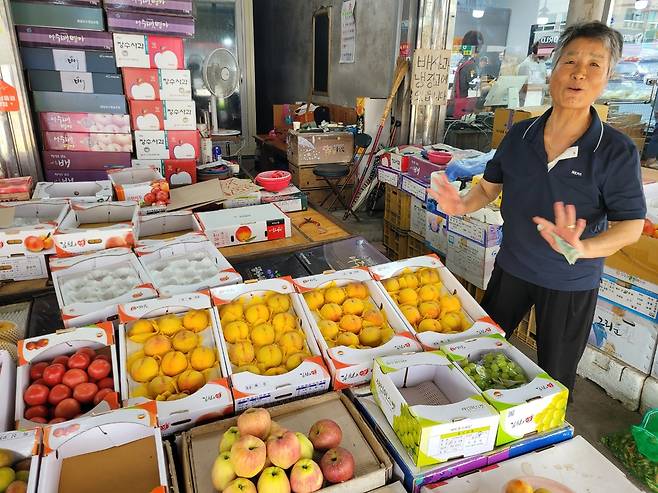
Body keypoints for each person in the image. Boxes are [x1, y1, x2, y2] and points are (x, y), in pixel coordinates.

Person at [429, 22, 646, 396]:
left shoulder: (616, 151)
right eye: (570, 60)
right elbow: (488, 188)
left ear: (608, 77)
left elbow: (631, 225)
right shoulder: (520, 135)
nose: (579, 72)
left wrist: (586, 248)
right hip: (512, 268)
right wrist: (462, 204)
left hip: (571, 281)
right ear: (553, 69)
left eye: (594, 64)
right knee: (477, 358)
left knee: (554, 381)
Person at [449, 30, 484, 118]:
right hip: (464, 108)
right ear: (478, 47)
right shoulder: (471, 65)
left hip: (453, 104)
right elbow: (474, 89)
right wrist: (489, 87)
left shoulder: (460, 60)